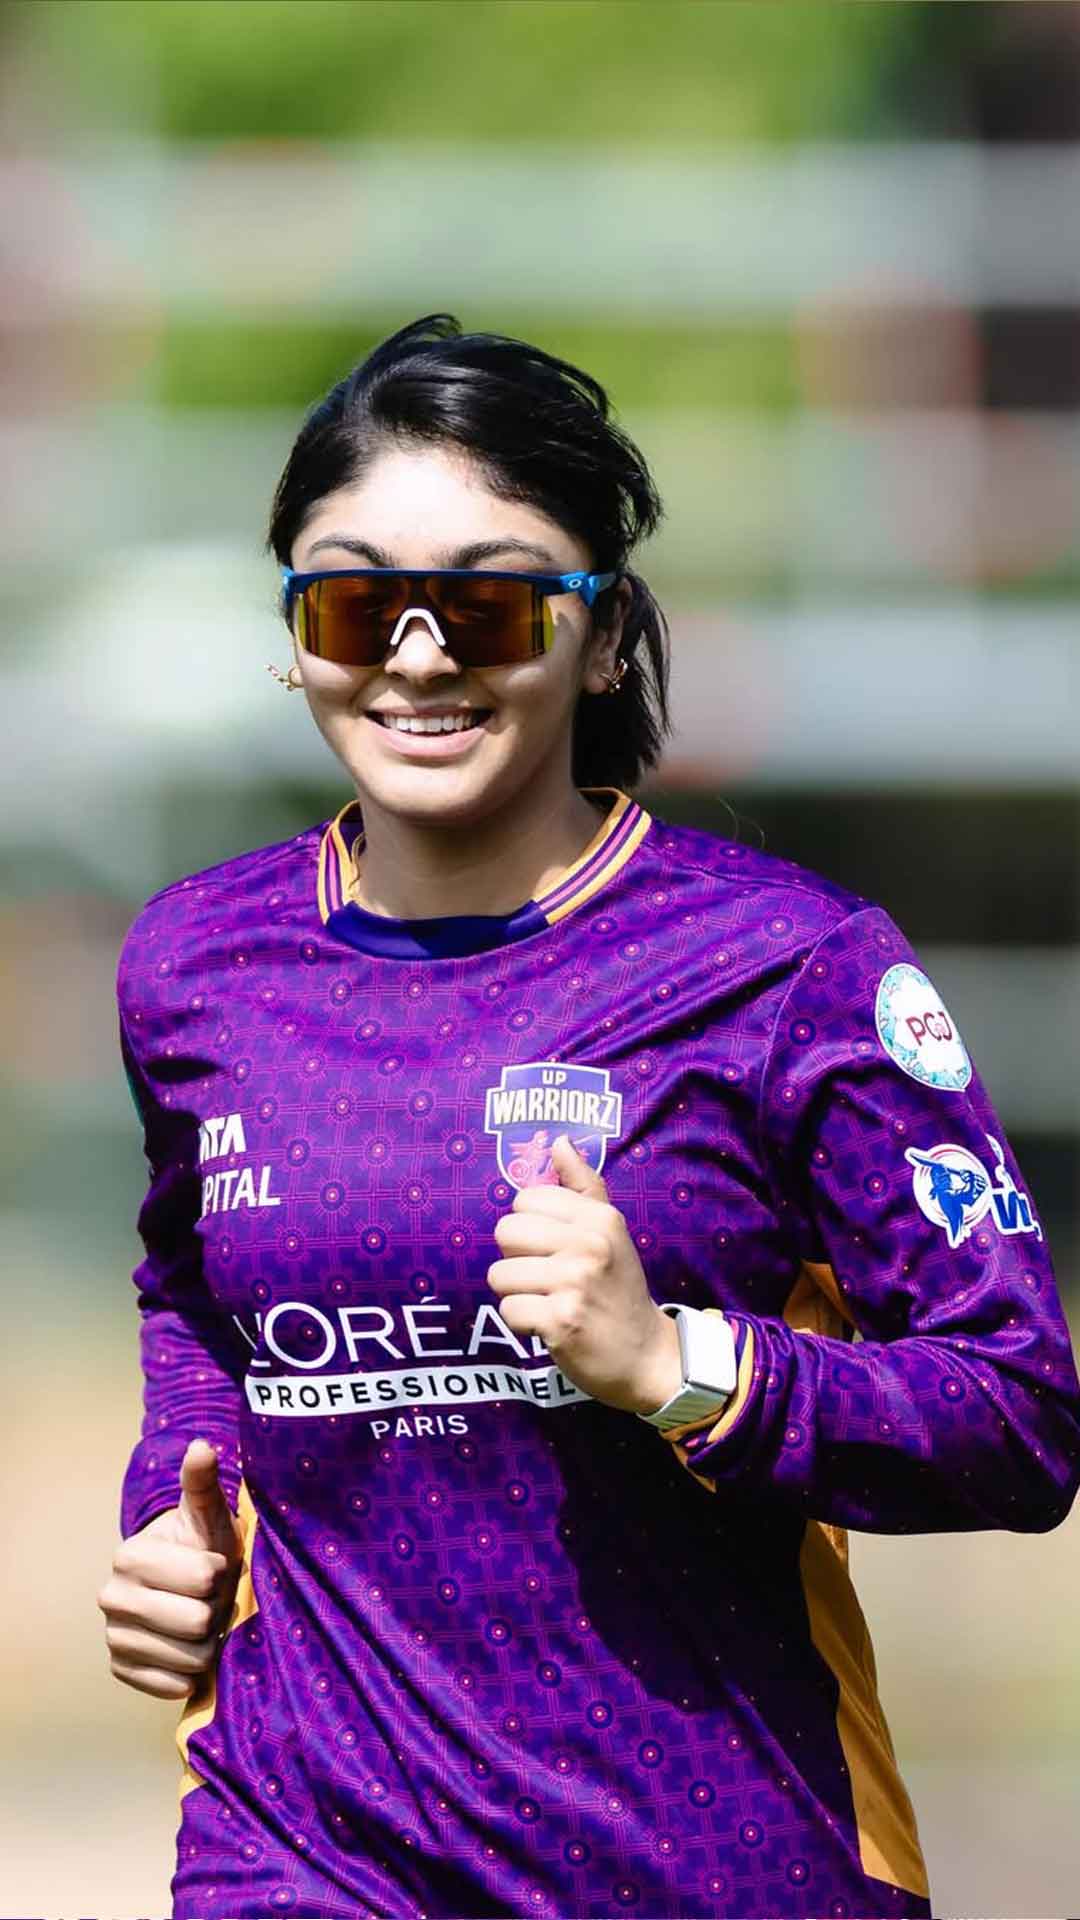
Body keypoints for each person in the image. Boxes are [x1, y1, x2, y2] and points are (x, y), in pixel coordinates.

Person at [98, 314, 1080, 1920]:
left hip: (719, 1865)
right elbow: (197, 1294)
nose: (420, 654)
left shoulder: (791, 966)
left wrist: (677, 1366)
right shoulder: (196, 964)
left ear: (604, 633)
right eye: (355, 600)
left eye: (488, 601)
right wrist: (175, 1520)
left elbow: (1017, 1418)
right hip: (302, 1847)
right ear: (295, 636)